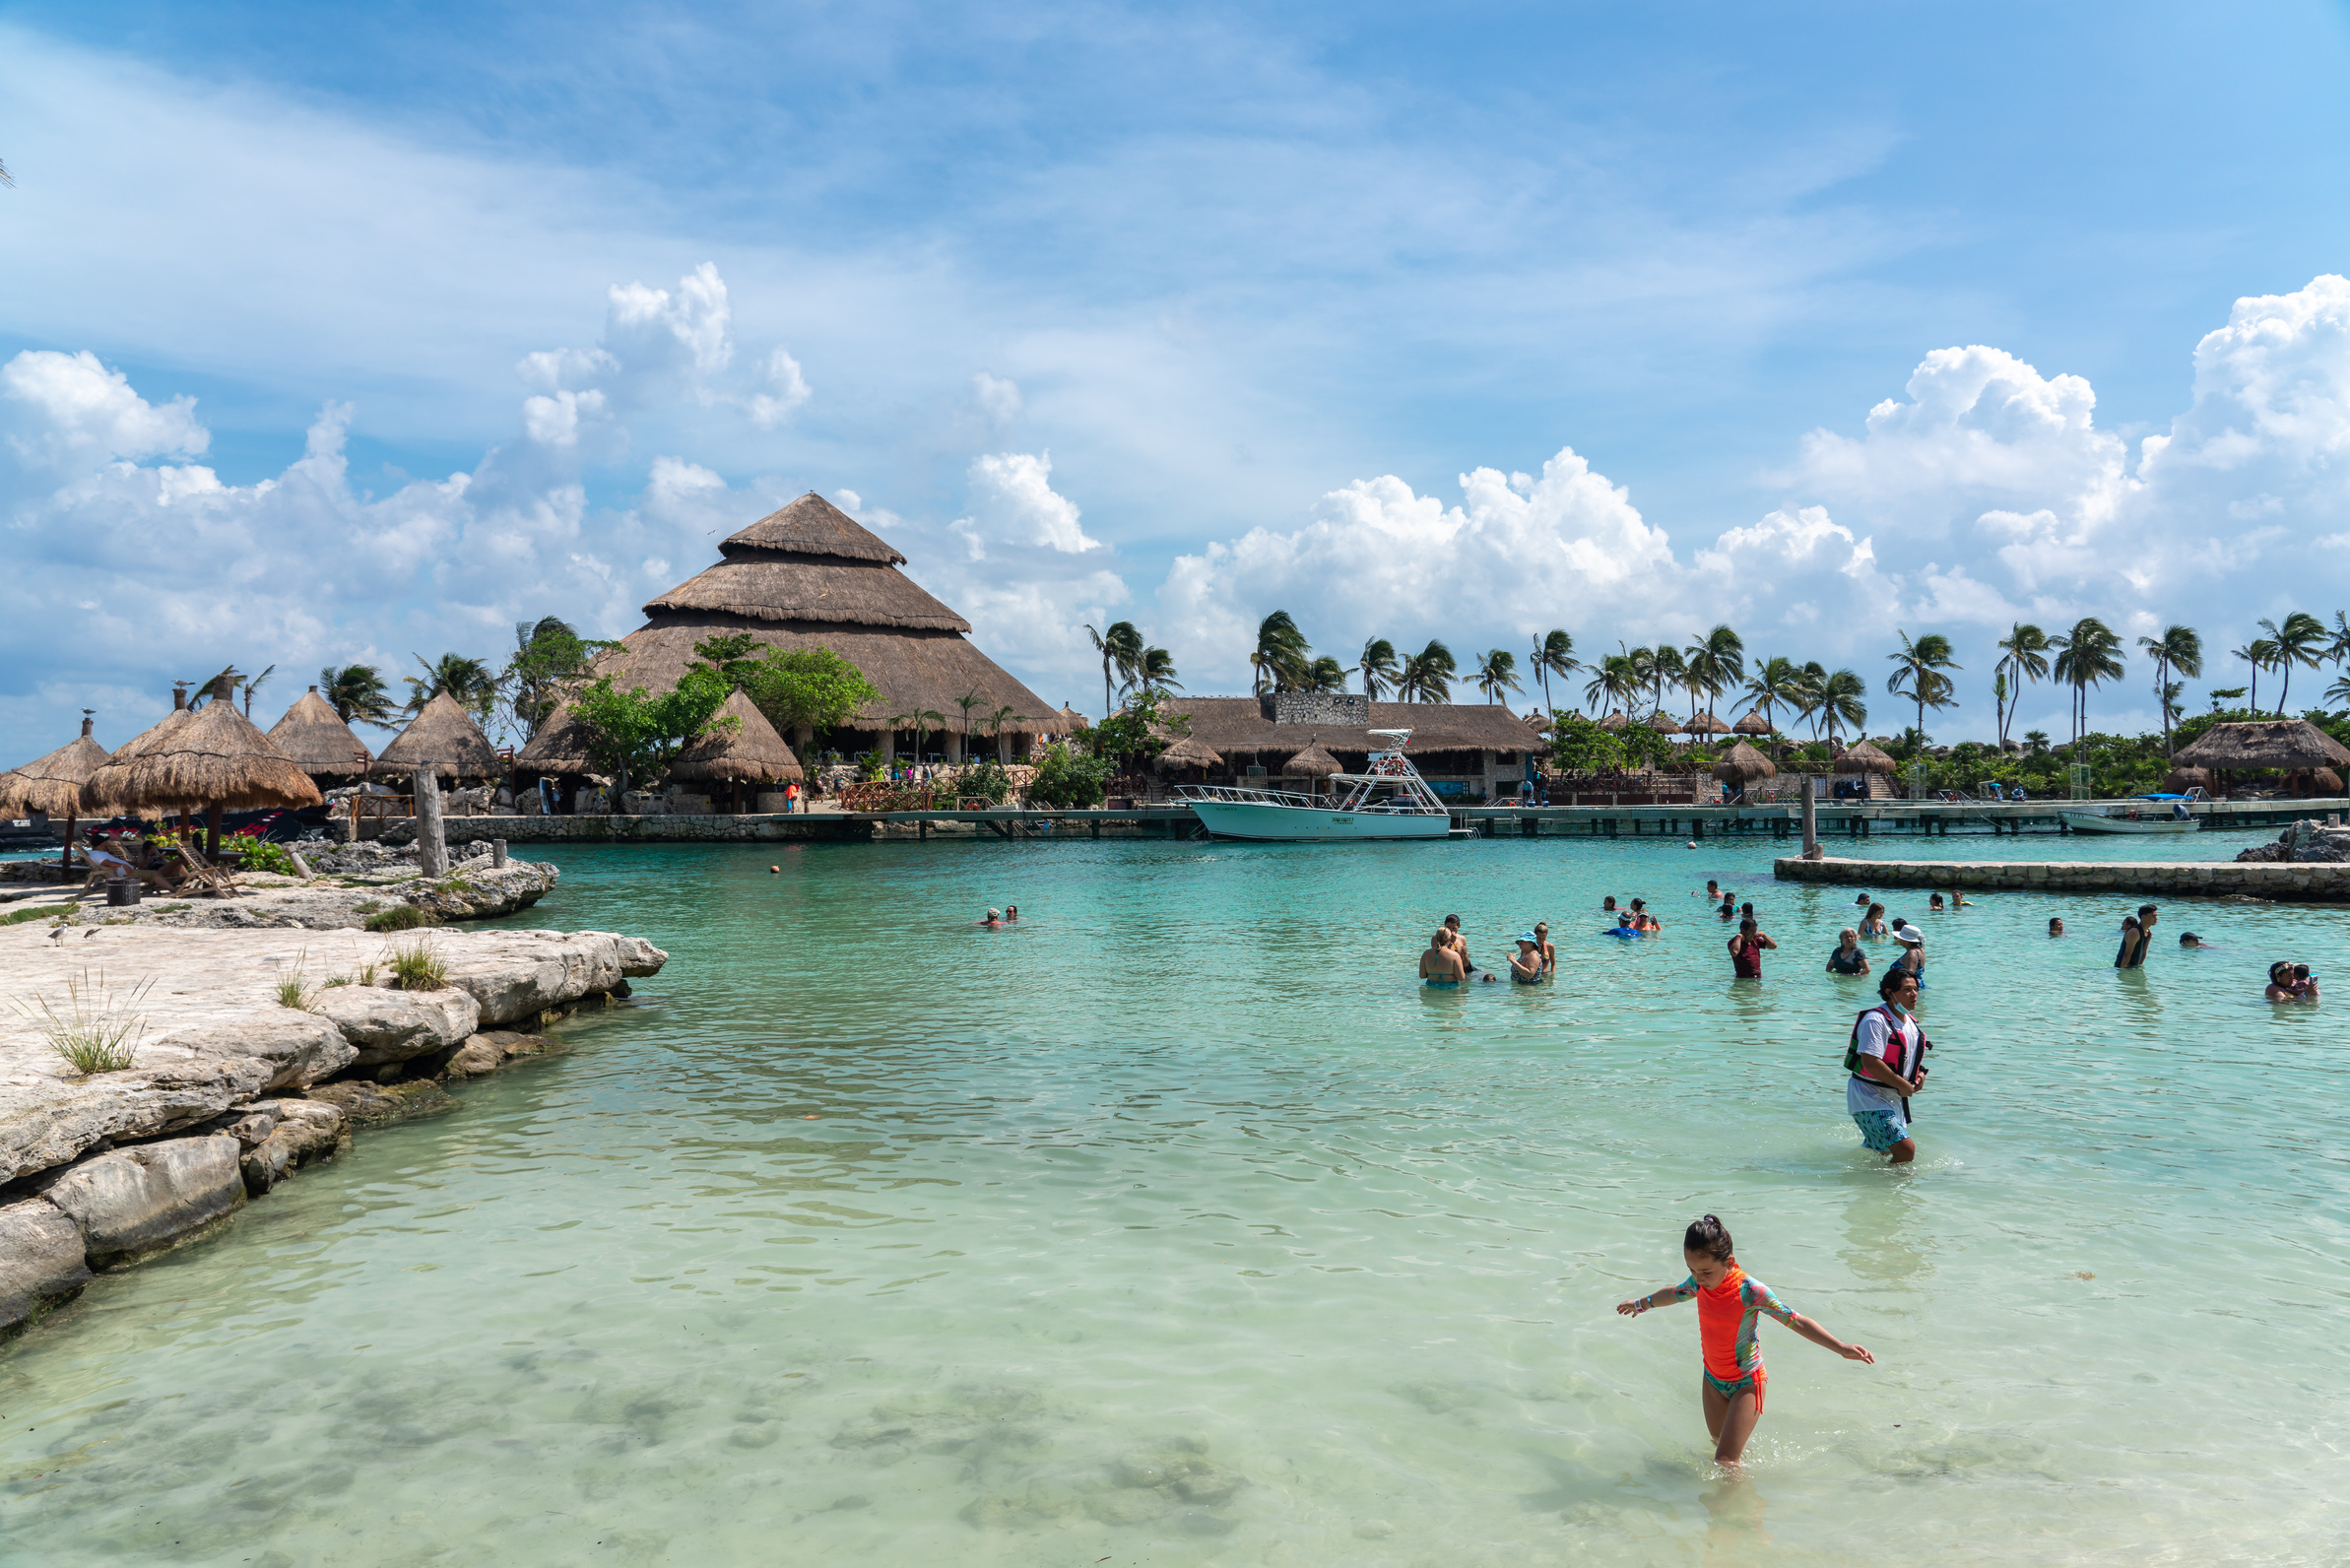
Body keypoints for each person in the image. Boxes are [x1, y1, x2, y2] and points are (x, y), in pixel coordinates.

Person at [1615, 1214, 1875, 1469]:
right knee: (1720, 1448)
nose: (1698, 1277)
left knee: (1725, 1461)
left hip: (1746, 1384)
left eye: (1706, 1271)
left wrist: (1841, 1347)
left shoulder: (1750, 1291)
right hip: (1713, 1380)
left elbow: (1795, 1320)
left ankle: (1741, 1512)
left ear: (1729, 1261)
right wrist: (1641, 1304)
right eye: (1691, 1270)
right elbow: (1674, 1293)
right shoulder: (1699, 1284)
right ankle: (1735, 1501)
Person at [1847, 967, 1926, 1163]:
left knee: (1881, 1153)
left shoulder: (1909, 1022)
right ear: (1890, 993)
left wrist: (1920, 1076)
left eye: (1916, 988)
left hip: (1893, 1097)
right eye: (1907, 989)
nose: (1914, 994)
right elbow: (1870, 1062)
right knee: (1905, 1149)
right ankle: (1898, 1190)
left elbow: (1908, 1056)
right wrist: (1901, 1084)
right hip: (1868, 1097)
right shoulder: (1876, 1020)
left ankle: (1873, 1187)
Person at [2116, 904, 2158, 968]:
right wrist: (2123, 971)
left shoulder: (2149, 933)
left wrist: (2139, 968)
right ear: (2143, 917)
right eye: (2153, 916)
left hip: (2134, 968)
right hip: (2123, 967)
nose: (2156, 919)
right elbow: (2127, 954)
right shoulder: (2134, 932)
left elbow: (2143, 953)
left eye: (2156, 916)